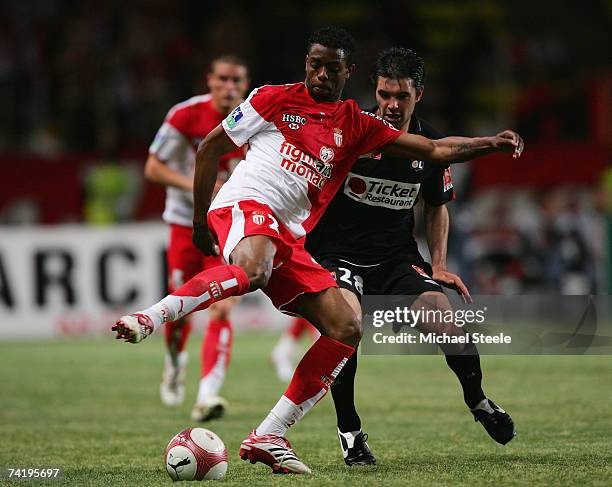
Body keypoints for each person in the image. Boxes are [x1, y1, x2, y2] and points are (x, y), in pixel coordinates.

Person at [113, 26, 524, 474]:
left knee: (346, 327)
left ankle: (269, 433)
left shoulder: (358, 126)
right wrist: (198, 220)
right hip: (255, 209)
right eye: (314, 64)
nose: (321, 74)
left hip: (309, 238)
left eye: (332, 67)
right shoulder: (273, 98)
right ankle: (151, 317)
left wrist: (490, 143)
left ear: (349, 72)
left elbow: (433, 152)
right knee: (254, 268)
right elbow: (211, 147)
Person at [305, 47, 516, 466]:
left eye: (401, 96)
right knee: (345, 330)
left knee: (447, 322)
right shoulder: (351, 131)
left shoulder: (426, 143)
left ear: (419, 94)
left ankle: (478, 401)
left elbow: (437, 205)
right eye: (384, 94)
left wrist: (437, 264)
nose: (391, 105)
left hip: (395, 258)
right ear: (375, 91)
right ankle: (350, 432)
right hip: (337, 255)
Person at [145, 55, 248, 421]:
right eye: (223, 78)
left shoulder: (254, 119)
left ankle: (208, 395)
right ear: (210, 80)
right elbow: (153, 167)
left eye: (237, 80)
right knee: (180, 314)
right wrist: (197, 184)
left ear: (245, 83)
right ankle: (174, 361)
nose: (230, 87)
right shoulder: (185, 115)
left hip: (228, 227)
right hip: (183, 225)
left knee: (222, 307)